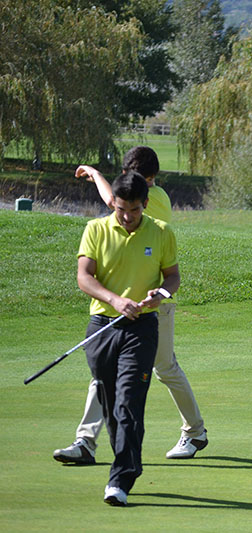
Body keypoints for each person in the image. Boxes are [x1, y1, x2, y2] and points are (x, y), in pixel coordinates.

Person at [54, 146, 207, 465]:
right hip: (119, 309)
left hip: (155, 308)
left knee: (165, 368)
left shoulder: (157, 199)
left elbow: (112, 202)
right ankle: (86, 441)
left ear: (148, 182)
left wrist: (95, 174)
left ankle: (195, 432)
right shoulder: (115, 217)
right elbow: (114, 204)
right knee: (104, 373)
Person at [76, 170, 180, 505]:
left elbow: (173, 277)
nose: (127, 216)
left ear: (144, 205)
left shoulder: (161, 232)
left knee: (129, 402)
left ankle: (120, 479)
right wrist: (115, 300)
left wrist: (160, 294)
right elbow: (85, 277)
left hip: (142, 328)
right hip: (103, 326)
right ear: (113, 204)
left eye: (134, 210)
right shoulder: (96, 229)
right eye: (121, 209)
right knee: (110, 404)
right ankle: (128, 461)